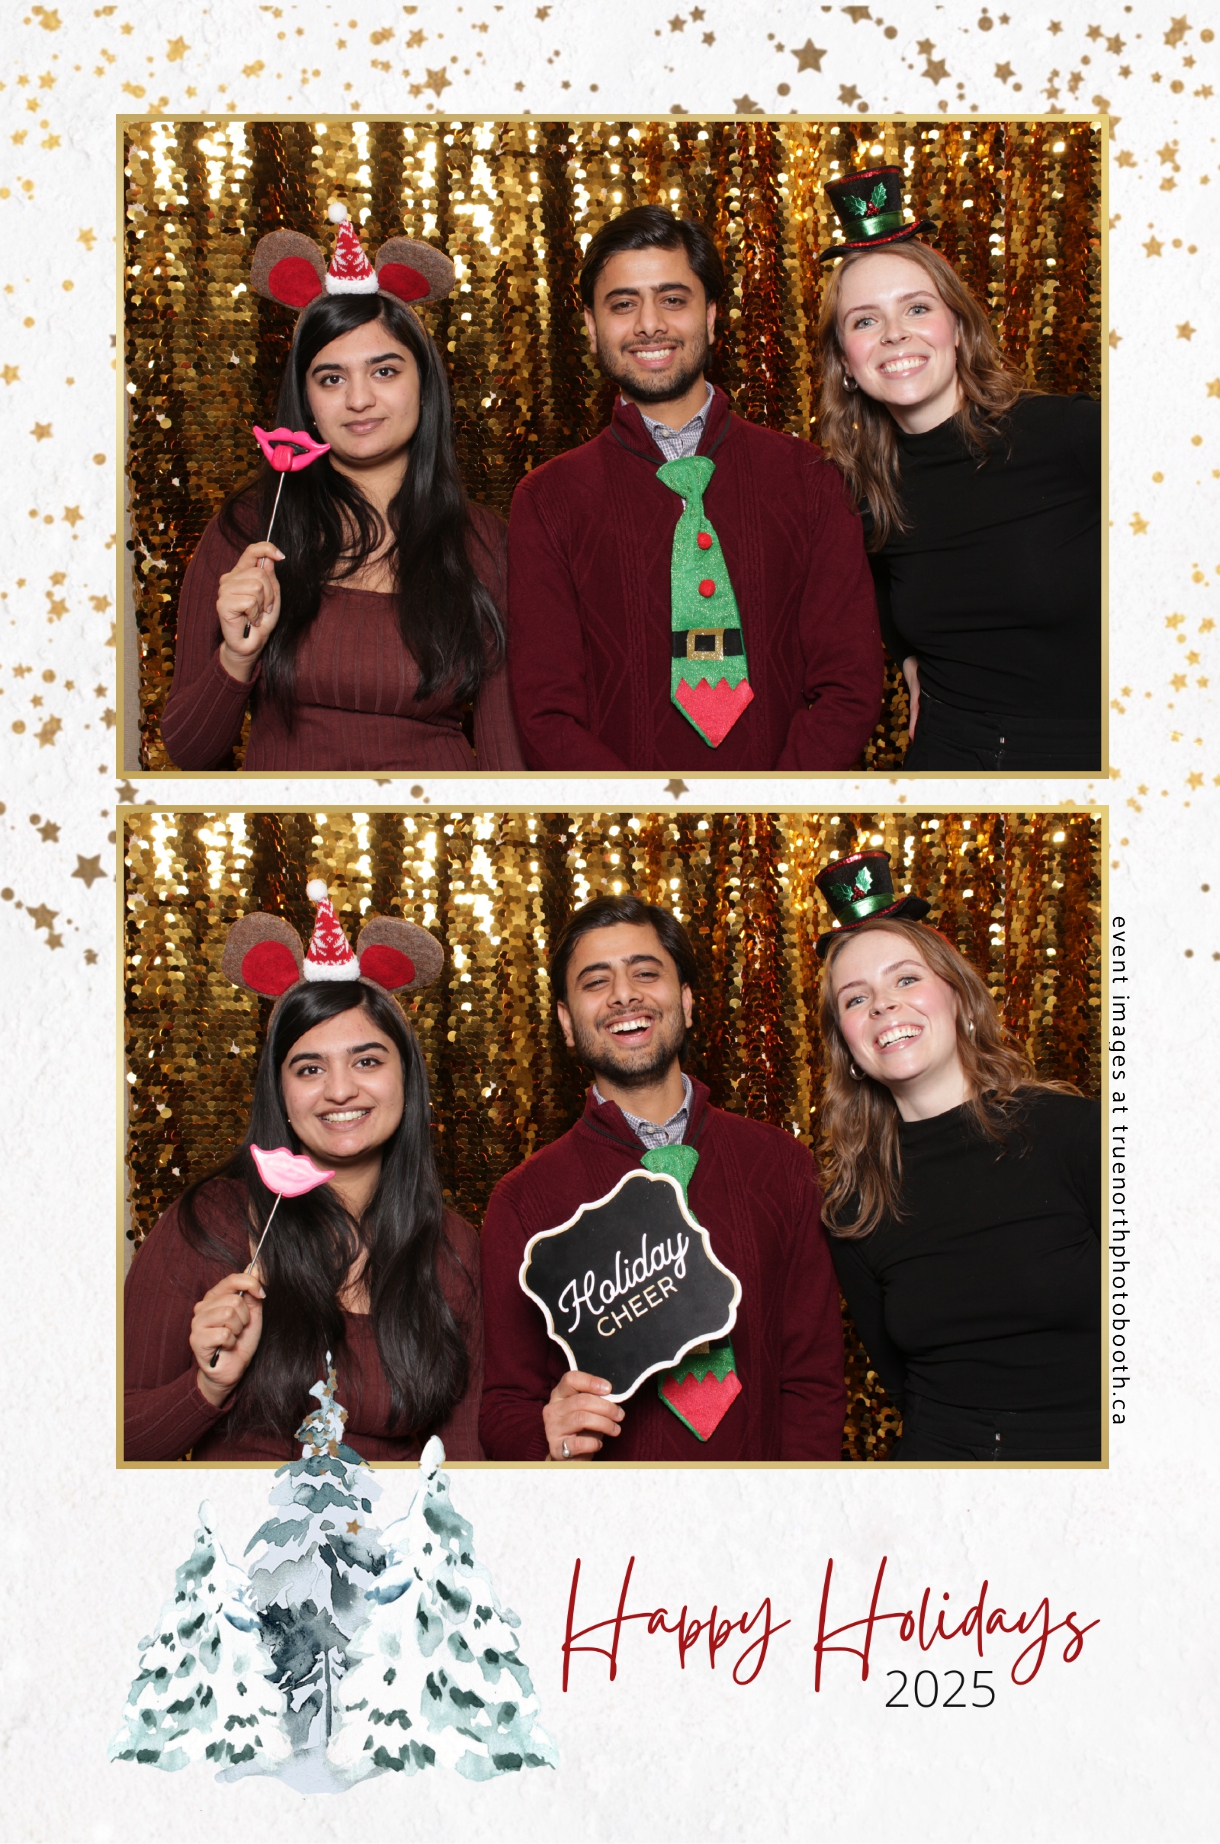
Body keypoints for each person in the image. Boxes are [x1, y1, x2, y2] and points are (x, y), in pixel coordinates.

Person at [506, 205, 884, 772]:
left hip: (787, 812)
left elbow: (850, 684)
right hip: (623, 820)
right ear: (590, 325)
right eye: (623, 304)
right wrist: (638, 815)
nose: (649, 324)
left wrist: (778, 806)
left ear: (710, 316)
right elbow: (546, 715)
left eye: (673, 299)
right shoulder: (547, 500)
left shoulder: (809, 477)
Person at [478, 894, 846, 1461]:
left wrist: (794, 1504)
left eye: (646, 973)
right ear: (567, 1023)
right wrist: (548, 1442)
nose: (624, 994)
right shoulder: (523, 1201)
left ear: (687, 1002)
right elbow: (505, 1407)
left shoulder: (781, 1164)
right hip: (608, 1512)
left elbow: (813, 1379)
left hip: (765, 1505)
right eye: (596, 981)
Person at [124, 887, 483, 1463]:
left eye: (367, 1061)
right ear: (281, 1092)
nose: (340, 1090)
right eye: (310, 1068)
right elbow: (108, 1448)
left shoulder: (455, 1248)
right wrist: (207, 1387)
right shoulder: (210, 1224)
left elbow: (463, 1459)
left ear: (406, 1078)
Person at [160, 206, 522, 772]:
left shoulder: (483, 541)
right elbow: (189, 750)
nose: (358, 400)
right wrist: (236, 655)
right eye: (331, 378)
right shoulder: (249, 529)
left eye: (385, 371)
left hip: (439, 821)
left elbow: (506, 757)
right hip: (283, 823)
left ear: (424, 385)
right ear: (306, 400)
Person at [813, 850, 1101, 1462]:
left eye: (906, 979)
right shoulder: (854, 1207)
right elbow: (901, 1385)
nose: (883, 1005)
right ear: (848, 1047)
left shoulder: (1081, 1136)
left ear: (961, 998)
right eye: (855, 999)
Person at [815, 165, 1101, 772]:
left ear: (960, 327)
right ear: (845, 362)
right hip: (945, 769)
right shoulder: (861, 491)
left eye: (917, 308)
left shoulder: (1071, 434)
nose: (894, 335)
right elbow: (878, 596)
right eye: (865, 320)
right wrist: (909, 659)